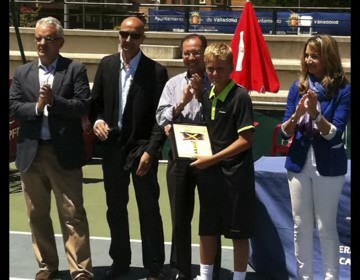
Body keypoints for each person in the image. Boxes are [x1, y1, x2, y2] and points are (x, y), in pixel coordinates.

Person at [9, 17, 93, 280]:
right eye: (38, 38)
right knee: (37, 214)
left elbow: (81, 105)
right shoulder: (23, 73)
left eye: (48, 38)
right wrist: (37, 107)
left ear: (60, 42)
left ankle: (80, 270)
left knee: (73, 214)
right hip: (31, 153)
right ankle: (47, 265)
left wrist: (53, 101)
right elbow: (13, 107)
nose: (42, 43)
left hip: (63, 153)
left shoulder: (74, 69)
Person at [89, 16, 168, 280]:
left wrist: (151, 151)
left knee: (149, 209)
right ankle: (120, 261)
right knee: (115, 208)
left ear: (142, 38)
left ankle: (155, 266)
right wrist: (98, 121)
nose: (128, 40)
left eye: (134, 36)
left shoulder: (156, 72)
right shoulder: (107, 65)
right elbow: (95, 104)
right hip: (113, 149)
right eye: (124, 34)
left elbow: (161, 118)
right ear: (119, 35)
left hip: (142, 149)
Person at [280, 35, 351, 279]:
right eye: (307, 55)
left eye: (315, 55)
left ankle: (331, 277)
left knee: (325, 227)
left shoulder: (343, 89)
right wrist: (297, 114)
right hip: (298, 163)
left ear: (328, 58)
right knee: (300, 226)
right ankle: (304, 277)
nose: (309, 60)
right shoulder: (297, 87)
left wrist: (316, 115)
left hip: (329, 165)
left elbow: (335, 133)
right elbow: (284, 132)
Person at [156, 34, 222, 280]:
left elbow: (222, 120)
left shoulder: (218, 81)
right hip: (179, 157)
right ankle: (180, 268)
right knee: (180, 216)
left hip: (209, 158)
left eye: (196, 52)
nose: (191, 57)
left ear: (205, 54)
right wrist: (182, 102)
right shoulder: (173, 84)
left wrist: (201, 95)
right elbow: (161, 117)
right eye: (186, 53)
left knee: (210, 216)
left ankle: (210, 269)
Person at [190, 43, 256, 280]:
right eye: (210, 69)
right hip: (210, 174)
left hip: (236, 175)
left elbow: (245, 141)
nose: (214, 73)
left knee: (239, 232)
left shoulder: (240, 96)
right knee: (207, 227)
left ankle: (239, 278)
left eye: (219, 68)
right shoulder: (206, 95)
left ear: (230, 68)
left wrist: (212, 159)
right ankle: (205, 275)